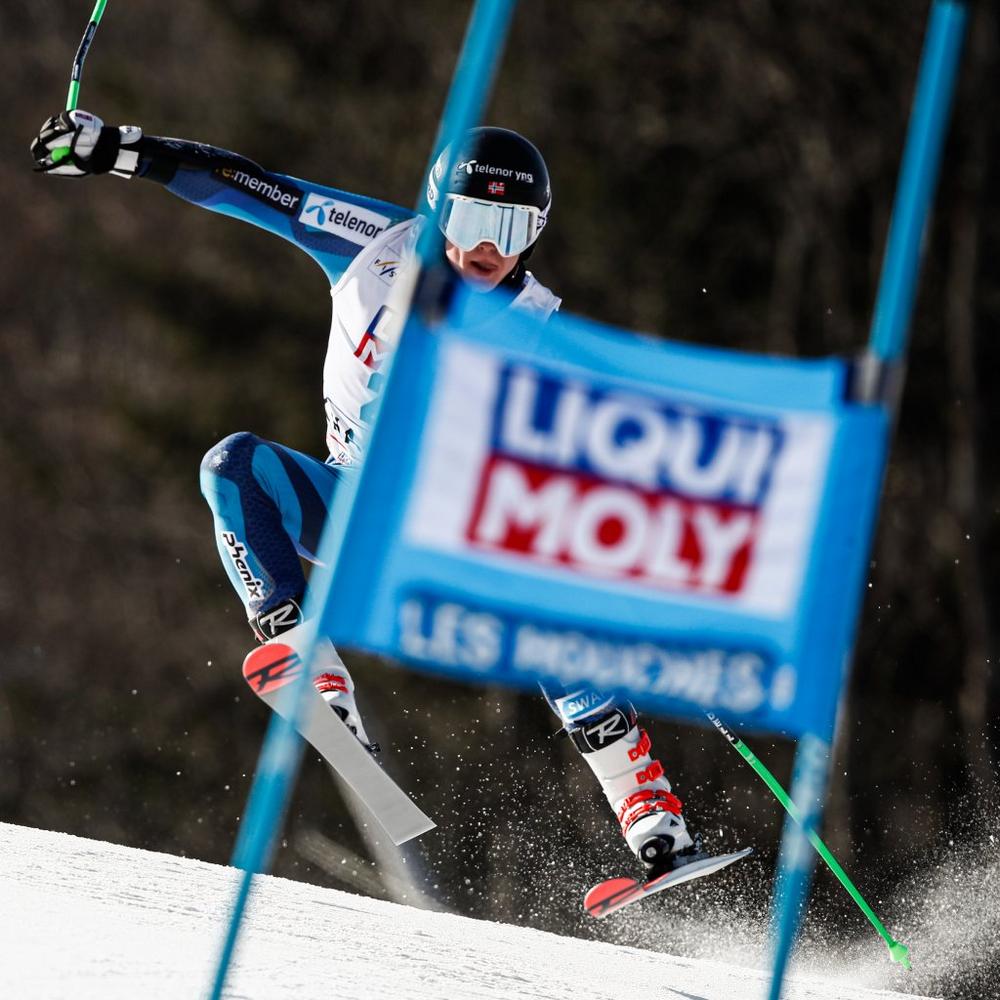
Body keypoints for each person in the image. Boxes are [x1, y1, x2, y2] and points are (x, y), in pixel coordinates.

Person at [31, 110, 700, 874]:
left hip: (453, 531)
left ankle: (650, 815)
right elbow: (246, 186)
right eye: (474, 218)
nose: (488, 247)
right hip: (354, 510)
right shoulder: (375, 243)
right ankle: (309, 664)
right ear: (438, 205)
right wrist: (123, 151)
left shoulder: (541, 334)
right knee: (233, 468)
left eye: (511, 230)